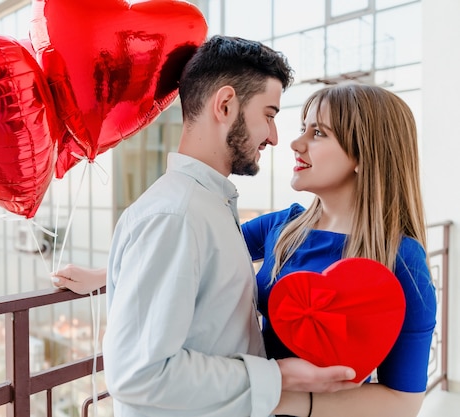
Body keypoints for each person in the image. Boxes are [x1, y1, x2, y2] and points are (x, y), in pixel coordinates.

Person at [53, 82, 437, 417]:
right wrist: (104, 277)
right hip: (250, 403)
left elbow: (404, 402)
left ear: (364, 155)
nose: (294, 143)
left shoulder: (403, 260)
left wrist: (282, 399)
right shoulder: (283, 226)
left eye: (318, 133)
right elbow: (186, 250)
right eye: (303, 128)